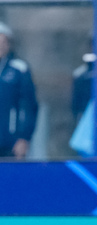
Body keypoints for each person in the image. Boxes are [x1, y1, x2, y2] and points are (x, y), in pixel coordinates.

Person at [0, 22, 38, 159]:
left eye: (3, 40)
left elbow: (29, 107)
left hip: (9, 141)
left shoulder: (19, 69)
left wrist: (24, 138)